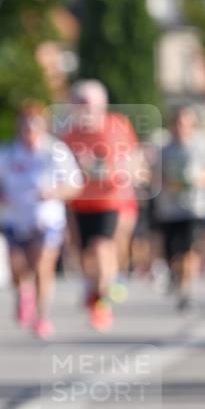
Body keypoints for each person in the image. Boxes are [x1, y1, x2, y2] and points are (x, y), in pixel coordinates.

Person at [0, 100, 83, 338]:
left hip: (46, 219)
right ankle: (23, 293)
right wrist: (0, 194)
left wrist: (53, 193)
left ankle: (41, 315)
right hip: (15, 218)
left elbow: (75, 185)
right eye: (25, 124)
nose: (29, 129)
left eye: (34, 124)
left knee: (42, 265)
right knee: (17, 267)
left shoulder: (55, 150)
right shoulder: (6, 151)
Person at [62, 80, 144, 332]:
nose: (82, 108)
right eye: (77, 102)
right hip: (78, 202)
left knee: (102, 248)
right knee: (85, 255)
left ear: (101, 104)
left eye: (86, 103)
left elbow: (133, 160)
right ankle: (95, 290)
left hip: (110, 199)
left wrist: (111, 170)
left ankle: (100, 303)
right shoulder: (68, 133)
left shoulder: (117, 125)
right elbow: (59, 166)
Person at [154, 105, 205, 310]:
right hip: (170, 208)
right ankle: (176, 276)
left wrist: (201, 180)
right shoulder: (164, 147)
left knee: (190, 248)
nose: (182, 127)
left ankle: (186, 291)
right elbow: (153, 174)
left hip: (194, 206)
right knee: (173, 252)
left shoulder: (202, 144)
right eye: (178, 122)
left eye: (186, 122)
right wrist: (167, 183)